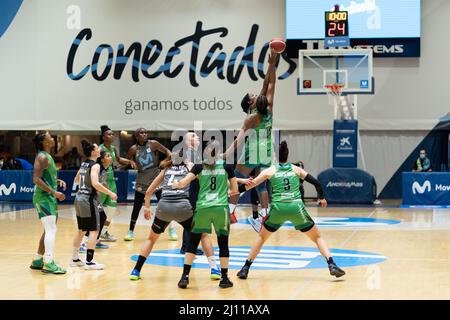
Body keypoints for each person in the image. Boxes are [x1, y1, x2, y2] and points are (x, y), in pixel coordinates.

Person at [235, 141, 346, 280]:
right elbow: (317, 183)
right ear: (288, 155)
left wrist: (233, 191)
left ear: (275, 155)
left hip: (278, 208)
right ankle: (332, 265)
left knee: (262, 237)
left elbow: (249, 186)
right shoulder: (296, 169)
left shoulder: (270, 170)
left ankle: (245, 268)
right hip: (296, 207)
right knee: (317, 237)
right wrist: (321, 198)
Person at [129, 152, 220, 281]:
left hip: (163, 207)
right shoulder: (189, 168)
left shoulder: (165, 170)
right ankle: (214, 268)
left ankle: (136, 270)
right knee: (204, 235)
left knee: (151, 239)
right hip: (183, 207)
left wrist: (147, 208)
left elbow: (149, 191)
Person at [222, 48, 279, 232]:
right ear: (250, 104)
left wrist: (226, 153)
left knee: (236, 178)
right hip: (267, 150)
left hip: (254, 149)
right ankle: (264, 216)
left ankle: (231, 211)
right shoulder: (268, 109)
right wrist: (272, 65)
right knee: (261, 184)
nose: (255, 94)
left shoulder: (251, 118)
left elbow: (239, 139)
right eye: (251, 96)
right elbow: (270, 84)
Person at [172, 140, 238, 289]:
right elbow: (234, 190)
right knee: (223, 244)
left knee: (193, 243)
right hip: (221, 209)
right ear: (218, 151)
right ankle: (225, 278)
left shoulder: (199, 166)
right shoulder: (227, 167)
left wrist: (175, 185)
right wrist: (224, 190)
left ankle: (185, 277)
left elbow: (183, 183)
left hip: (202, 209)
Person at [71, 141, 117, 270]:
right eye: (97, 148)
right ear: (93, 152)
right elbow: (95, 183)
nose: (99, 149)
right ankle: (89, 262)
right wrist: (110, 193)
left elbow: (76, 179)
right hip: (88, 200)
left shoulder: (84, 164)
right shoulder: (95, 165)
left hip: (79, 197)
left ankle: (75, 258)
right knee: (94, 230)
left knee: (81, 230)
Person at [29, 132, 67, 274]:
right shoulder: (42, 157)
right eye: (49, 137)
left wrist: (56, 182)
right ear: (45, 142)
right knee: (51, 230)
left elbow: (44, 177)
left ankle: (38, 259)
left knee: (48, 229)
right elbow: (36, 179)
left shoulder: (47, 156)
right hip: (43, 198)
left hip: (48, 198)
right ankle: (49, 263)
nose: (52, 138)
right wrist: (54, 192)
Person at [123, 128, 171, 241]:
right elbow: (126, 160)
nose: (144, 134)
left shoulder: (153, 143)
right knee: (136, 206)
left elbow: (167, 151)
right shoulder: (133, 149)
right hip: (142, 178)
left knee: (165, 204)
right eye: (141, 133)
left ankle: (171, 229)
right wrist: (131, 162)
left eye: (145, 132)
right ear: (136, 136)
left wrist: (167, 161)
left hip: (155, 176)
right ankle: (130, 231)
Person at [98, 125, 137, 243]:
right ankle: (94, 235)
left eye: (112, 134)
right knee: (98, 211)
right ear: (103, 137)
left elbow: (118, 160)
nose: (112, 136)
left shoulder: (113, 148)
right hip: (101, 181)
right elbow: (96, 165)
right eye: (109, 134)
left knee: (112, 209)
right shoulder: (100, 149)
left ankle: (104, 232)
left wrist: (130, 161)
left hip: (111, 181)